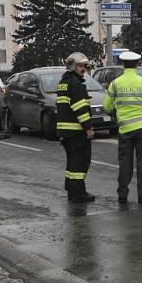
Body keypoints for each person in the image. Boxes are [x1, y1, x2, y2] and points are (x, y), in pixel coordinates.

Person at [104, 51, 142, 204]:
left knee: (125, 162)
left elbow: (106, 107)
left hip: (125, 130)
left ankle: (123, 195)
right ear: (136, 64)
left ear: (123, 64)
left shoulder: (115, 83)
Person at [56, 52, 95, 203]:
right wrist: (89, 128)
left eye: (84, 66)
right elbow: (80, 109)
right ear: (73, 66)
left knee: (72, 164)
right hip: (77, 132)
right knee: (80, 163)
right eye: (80, 66)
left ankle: (72, 190)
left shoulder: (63, 82)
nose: (83, 69)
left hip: (66, 132)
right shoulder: (76, 84)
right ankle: (79, 193)